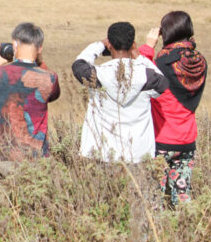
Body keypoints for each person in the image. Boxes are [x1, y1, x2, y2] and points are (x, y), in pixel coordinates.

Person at [72, 22, 170, 163]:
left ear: (109, 45)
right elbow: (162, 81)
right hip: (138, 155)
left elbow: (78, 64)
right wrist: (139, 56)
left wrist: (100, 45)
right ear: (133, 45)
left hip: (101, 154)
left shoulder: (97, 75)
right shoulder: (146, 76)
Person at [138, 11, 207, 205]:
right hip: (187, 139)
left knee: (153, 200)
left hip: (161, 140)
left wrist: (148, 46)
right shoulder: (200, 62)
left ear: (165, 33)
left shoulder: (161, 64)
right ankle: (187, 225)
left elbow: (138, 75)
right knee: (183, 199)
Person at [0, 22, 60, 163]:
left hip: (0, 155)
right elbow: (53, 94)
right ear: (40, 48)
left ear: (14, 45)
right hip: (35, 157)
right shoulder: (49, 78)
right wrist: (40, 62)